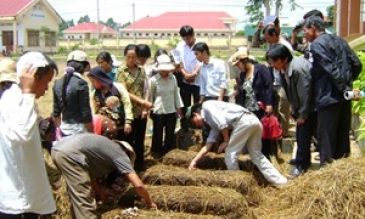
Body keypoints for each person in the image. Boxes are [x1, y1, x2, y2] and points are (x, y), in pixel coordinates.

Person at [0, 52, 58, 217]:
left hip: (23, 194)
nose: (47, 89)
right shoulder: (15, 100)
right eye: (46, 82)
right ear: (33, 77)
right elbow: (22, 135)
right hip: (18, 200)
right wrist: (28, 93)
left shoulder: (20, 98)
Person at [51, 133, 157, 219]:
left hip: (57, 150)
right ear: (127, 153)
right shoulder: (121, 155)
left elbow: (87, 176)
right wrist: (149, 202)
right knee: (84, 198)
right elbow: (138, 185)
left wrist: (100, 192)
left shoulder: (105, 148)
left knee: (77, 195)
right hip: (69, 154)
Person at [302, 16, 362, 166]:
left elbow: (330, 69)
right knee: (342, 135)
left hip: (327, 97)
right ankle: (342, 171)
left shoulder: (316, 45)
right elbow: (357, 64)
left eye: (305, 31)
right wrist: (347, 87)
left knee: (326, 136)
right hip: (344, 97)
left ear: (313, 28)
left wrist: (342, 87)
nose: (304, 34)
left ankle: (328, 172)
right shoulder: (340, 40)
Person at [186, 101, 287, 185]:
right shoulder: (212, 124)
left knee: (230, 155)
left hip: (243, 122)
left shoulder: (206, 106)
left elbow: (222, 123)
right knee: (257, 155)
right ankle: (281, 182)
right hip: (253, 121)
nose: (197, 125)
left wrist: (226, 140)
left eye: (194, 122)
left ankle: (238, 185)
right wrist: (194, 161)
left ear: (195, 114)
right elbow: (208, 145)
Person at [267, 44, 316, 178]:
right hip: (300, 106)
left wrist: (303, 115)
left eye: (273, 61)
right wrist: (293, 107)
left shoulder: (299, 69)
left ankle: (301, 165)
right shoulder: (282, 69)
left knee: (304, 135)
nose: (271, 65)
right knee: (303, 135)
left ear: (284, 59)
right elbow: (290, 90)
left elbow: (306, 94)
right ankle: (302, 160)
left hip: (312, 106)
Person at [230, 50, 275, 160]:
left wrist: (269, 103)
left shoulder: (261, 69)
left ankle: (266, 156)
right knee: (253, 133)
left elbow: (269, 86)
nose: (238, 68)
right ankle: (254, 156)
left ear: (243, 61)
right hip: (249, 109)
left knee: (263, 133)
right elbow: (245, 90)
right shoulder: (242, 74)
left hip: (261, 107)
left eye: (238, 65)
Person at [117, 44, 153, 171]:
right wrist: (143, 102)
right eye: (128, 57)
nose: (131, 60)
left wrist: (145, 108)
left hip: (141, 111)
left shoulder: (141, 70)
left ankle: (139, 165)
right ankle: (127, 168)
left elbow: (146, 89)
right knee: (128, 140)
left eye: (134, 57)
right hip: (128, 111)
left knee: (140, 139)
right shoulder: (121, 71)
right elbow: (124, 92)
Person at [148, 54, 184, 158]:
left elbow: (176, 94)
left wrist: (179, 108)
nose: (165, 72)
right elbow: (151, 96)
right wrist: (150, 109)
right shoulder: (153, 80)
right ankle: (155, 153)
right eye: (163, 70)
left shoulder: (173, 78)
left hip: (171, 110)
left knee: (170, 133)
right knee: (157, 134)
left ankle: (167, 153)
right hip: (158, 111)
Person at [53, 50, 93, 137]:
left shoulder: (57, 83)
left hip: (64, 131)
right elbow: (86, 114)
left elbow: (56, 114)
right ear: (84, 66)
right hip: (80, 132)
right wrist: (92, 134)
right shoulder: (81, 84)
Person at [88, 66, 134, 140]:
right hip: (105, 129)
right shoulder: (94, 94)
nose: (92, 84)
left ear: (100, 79)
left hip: (121, 126)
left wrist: (128, 122)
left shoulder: (118, 87)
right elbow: (93, 110)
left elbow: (127, 104)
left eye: (93, 81)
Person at [175, 25, 201, 135]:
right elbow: (178, 62)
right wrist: (185, 74)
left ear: (193, 34)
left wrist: (194, 74)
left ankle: (198, 127)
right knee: (184, 105)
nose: (187, 41)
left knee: (198, 105)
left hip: (199, 81)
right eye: (184, 39)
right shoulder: (180, 46)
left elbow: (202, 61)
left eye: (189, 38)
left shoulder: (200, 44)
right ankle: (185, 127)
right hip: (185, 81)